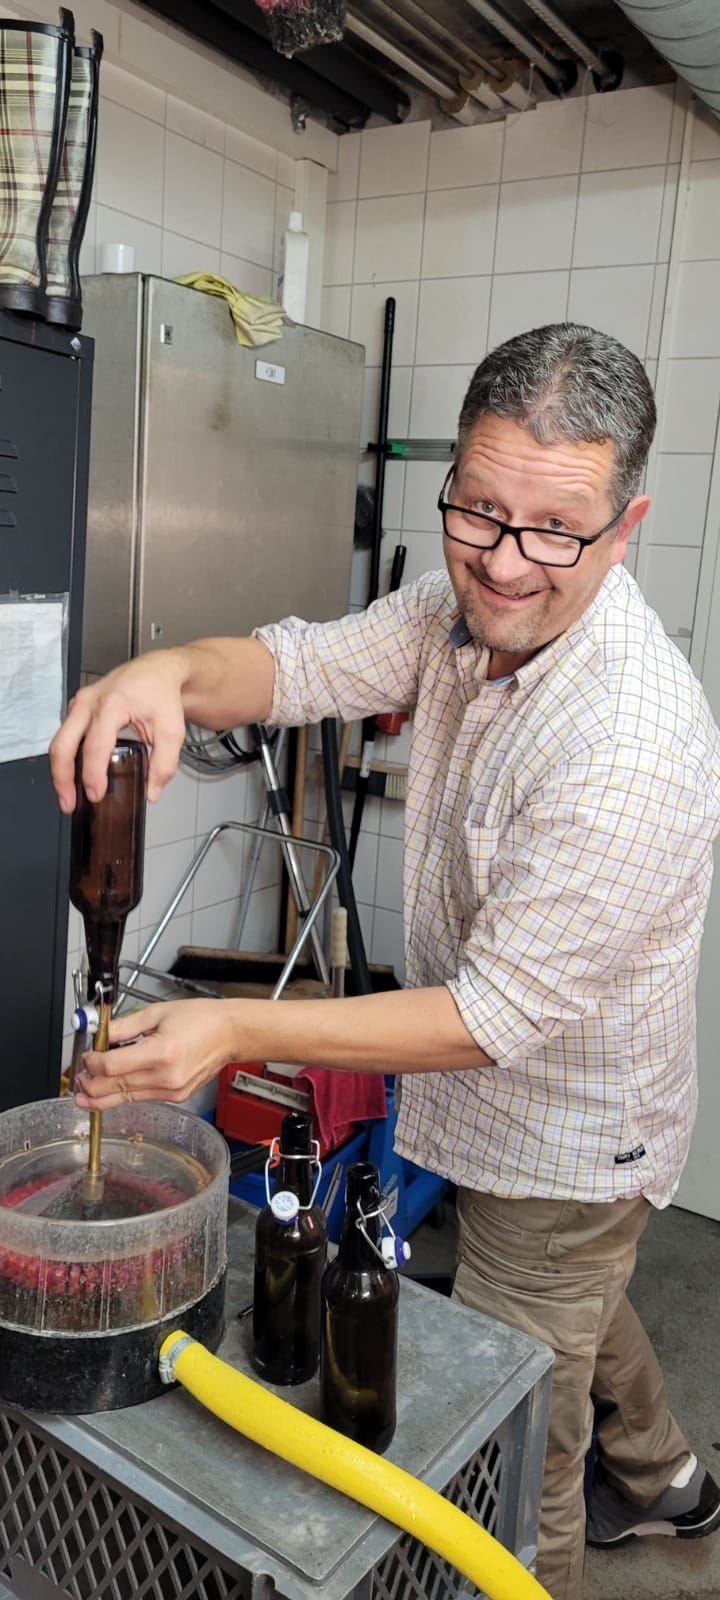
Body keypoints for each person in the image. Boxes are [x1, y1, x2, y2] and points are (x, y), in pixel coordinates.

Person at [50, 323, 720, 1600]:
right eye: (480, 511)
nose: (505, 562)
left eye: (555, 530)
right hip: (506, 1121)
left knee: (520, 1450)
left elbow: (487, 1018)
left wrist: (235, 1028)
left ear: (625, 526)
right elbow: (294, 666)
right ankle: (673, 1475)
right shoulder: (456, 605)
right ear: (457, 479)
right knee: (580, 1293)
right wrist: (165, 672)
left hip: (567, 1134)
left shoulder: (630, 745)